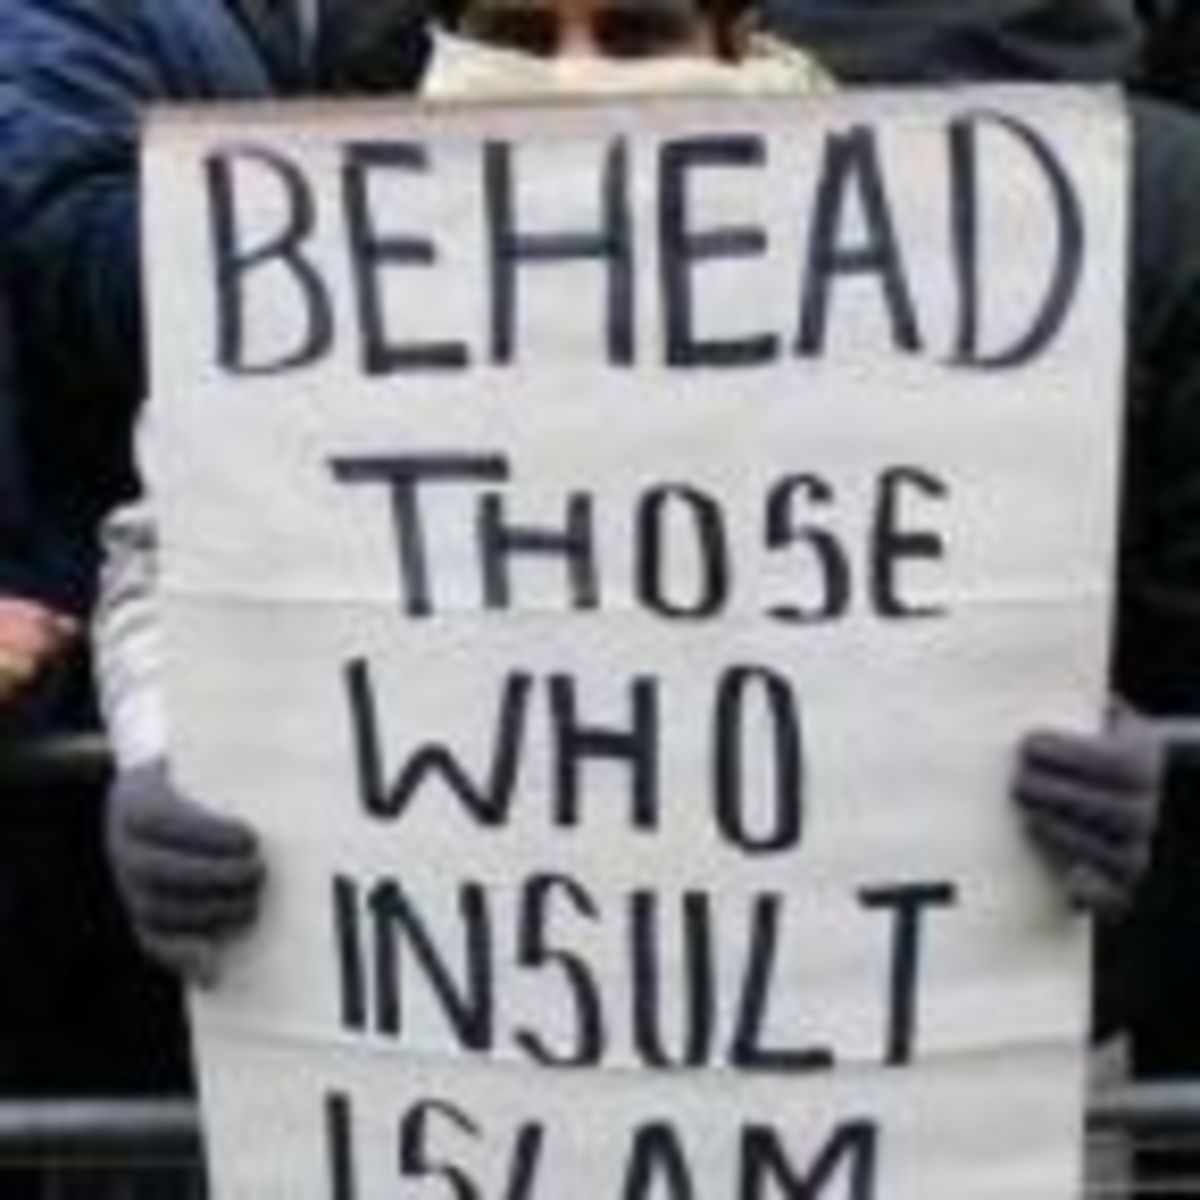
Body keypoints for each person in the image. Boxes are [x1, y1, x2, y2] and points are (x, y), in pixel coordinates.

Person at [83, 0, 1165, 996]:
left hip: (842, 1003)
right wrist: (164, 751)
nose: (573, 78)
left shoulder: (924, 272)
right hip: (468, 1013)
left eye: (637, 35)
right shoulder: (321, 270)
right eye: (519, 35)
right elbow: (168, 555)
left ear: (733, 40)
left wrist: (1075, 729)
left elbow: (996, 564)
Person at [0, 0, 428, 1091]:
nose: (576, 65)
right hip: (102, 789)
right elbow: (77, 273)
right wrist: (408, 229)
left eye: (631, 35)